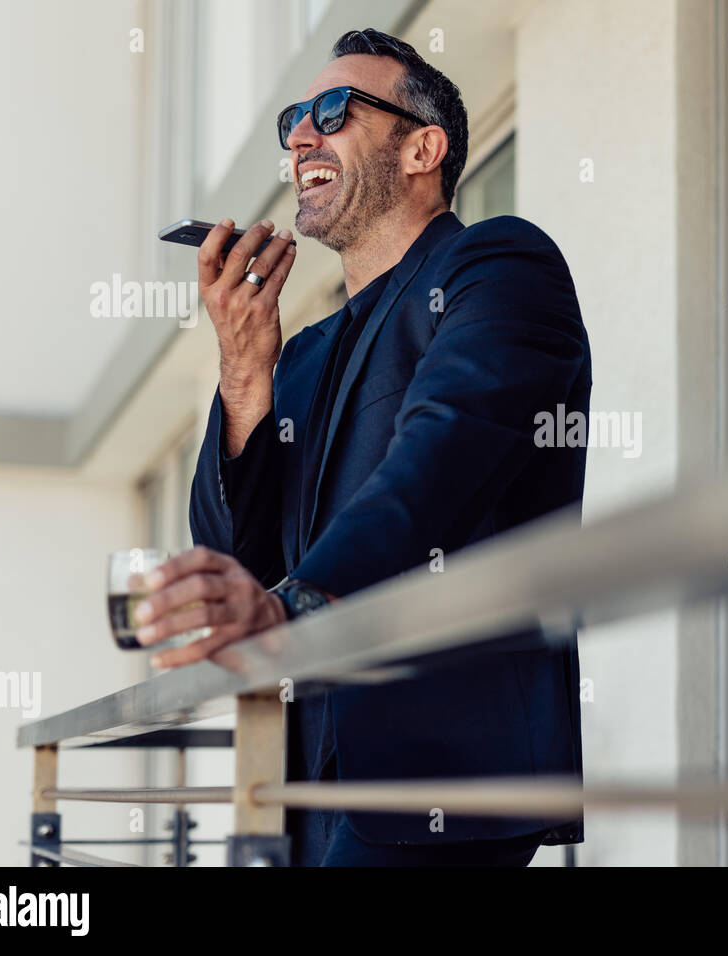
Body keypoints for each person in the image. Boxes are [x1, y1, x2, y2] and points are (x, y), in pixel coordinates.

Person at [130, 27, 589, 866]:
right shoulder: (295, 354)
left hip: (443, 771)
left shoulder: (500, 263)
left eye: (333, 110)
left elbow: (447, 449)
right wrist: (240, 371)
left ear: (423, 147)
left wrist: (302, 601)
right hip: (302, 775)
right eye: (295, 119)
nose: (302, 133)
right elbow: (236, 558)